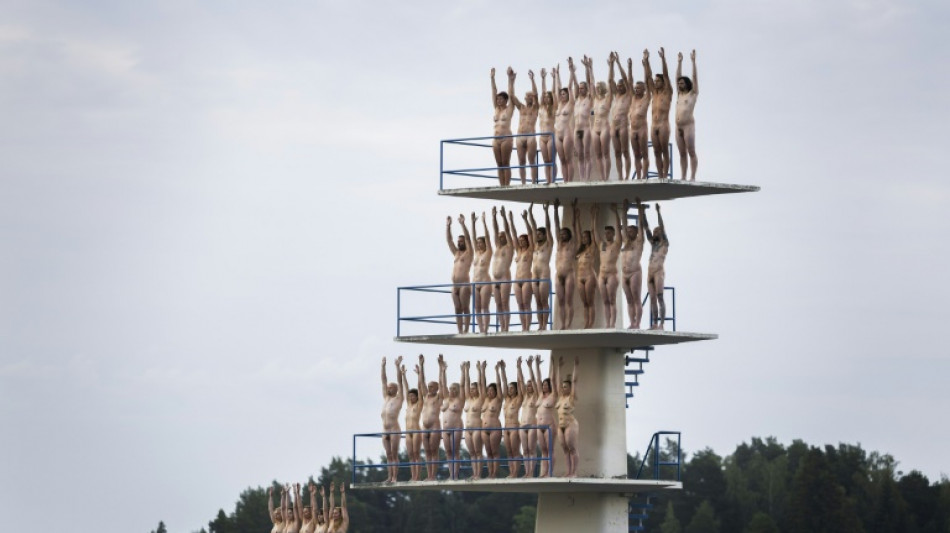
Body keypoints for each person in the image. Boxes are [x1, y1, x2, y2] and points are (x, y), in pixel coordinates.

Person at [644, 48, 673, 180]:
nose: (655, 83)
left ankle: (665, 175)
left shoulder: (667, 92)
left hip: (663, 124)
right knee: (656, 152)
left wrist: (663, 59)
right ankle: (660, 174)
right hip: (653, 125)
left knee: (664, 150)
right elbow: (648, 79)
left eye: (658, 81)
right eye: (655, 82)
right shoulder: (654, 93)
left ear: (663, 82)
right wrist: (646, 61)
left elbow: (666, 75)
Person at [594, 203, 623, 328]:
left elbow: (618, 227)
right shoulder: (602, 245)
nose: (607, 235)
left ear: (613, 233)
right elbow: (595, 233)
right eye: (606, 233)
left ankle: (612, 323)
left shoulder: (616, 244)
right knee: (605, 301)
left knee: (612, 300)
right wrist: (594, 216)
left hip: (612, 274)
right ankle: (607, 323)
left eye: (609, 233)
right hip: (602, 274)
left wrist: (616, 212)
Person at [553, 198, 580, 329]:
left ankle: (569, 324)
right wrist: (555, 209)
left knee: (569, 301)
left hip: (569, 274)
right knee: (561, 302)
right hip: (558, 274)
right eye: (561, 234)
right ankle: (563, 324)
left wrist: (574, 211)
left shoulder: (572, 244)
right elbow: (556, 225)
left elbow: (574, 228)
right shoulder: (559, 244)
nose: (562, 235)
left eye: (564, 233)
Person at [642, 203, 669, 329]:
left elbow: (662, 227)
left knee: (659, 297)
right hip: (650, 272)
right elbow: (646, 228)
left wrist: (658, 212)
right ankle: (655, 322)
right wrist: (643, 212)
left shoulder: (664, 243)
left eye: (657, 231)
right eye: (655, 231)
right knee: (652, 299)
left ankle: (662, 323)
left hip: (658, 271)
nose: (655, 232)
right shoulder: (653, 243)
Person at [621, 199, 647, 329]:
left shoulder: (639, 241)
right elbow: (623, 223)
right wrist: (624, 210)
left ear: (636, 233)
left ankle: (638, 323)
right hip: (624, 273)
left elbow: (641, 226)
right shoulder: (626, 241)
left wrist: (639, 209)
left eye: (631, 231)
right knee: (629, 300)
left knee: (636, 298)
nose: (629, 232)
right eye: (628, 231)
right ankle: (632, 322)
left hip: (634, 272)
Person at [526, 203, 553, 330]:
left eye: (540, 234)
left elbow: (548, 227)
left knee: (544, 301)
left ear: (544, 235)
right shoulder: (535, 246)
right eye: (537, 234)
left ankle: (544, 325)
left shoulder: (548, 244)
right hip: (534, 275)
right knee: (537, 302)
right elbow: (532, 229)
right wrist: (529, 215)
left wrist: (546, 211)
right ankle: (539, 324)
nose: (537, 236)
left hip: (543, 274)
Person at [446, 215, 474, 333]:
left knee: (465, 307)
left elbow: (468, 239)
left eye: (461, 242)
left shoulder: (469, 253)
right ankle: (460, 329)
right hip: (455, 285)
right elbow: (449, 241)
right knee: (457, 308)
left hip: (464, 284)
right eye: (459, 242)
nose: (459, 243)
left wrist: (463, 224)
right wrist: (448, 226)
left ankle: (467, 329)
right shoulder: (456, 253)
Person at [512, 70, 540, 184]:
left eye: (529, 96)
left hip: (530, 136)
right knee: (521, 161)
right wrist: (512, 81)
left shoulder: (535, 108)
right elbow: (512, 97)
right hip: (520, 135)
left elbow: (536, 94)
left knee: (531, 160)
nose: (528, 97)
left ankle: (533, 182)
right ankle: (523, 182)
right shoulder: (522, 107)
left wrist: (532, 80)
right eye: (527, 96)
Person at [418, 354, 444, 480]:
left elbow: (443, 383)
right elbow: (422, 382)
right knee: (427, 452)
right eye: (429, 387)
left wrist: (441, 367)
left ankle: (433, 475)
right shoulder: (426, 396)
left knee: (434, 451)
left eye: (432, 387)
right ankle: (429, 475)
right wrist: (422, 365)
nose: (430, 388)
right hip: (425, 427)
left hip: (434, 426)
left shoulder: (438, 397)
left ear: (437, 388)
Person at [380, 356, 405, 483]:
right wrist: (383, 366)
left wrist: (397, 367)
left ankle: (395, 477)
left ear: (395, 389)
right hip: (385, 429)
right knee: (388, 454)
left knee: (394, 454)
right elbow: (383, 381)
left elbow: (400, 383)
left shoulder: (398, 399)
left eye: (391, 387)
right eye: (388, 387)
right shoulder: (386, 398)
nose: (388, 388)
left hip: (394, 428)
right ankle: (389, 476)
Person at [569, 56, 594, 181]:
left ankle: (587, 178)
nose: (580, 89)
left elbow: (591, 83)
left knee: (587, 153)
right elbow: (573, 84)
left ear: (586, 89)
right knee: (579, 155)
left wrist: (588, 68)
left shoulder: (589, 99)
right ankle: (582, 177)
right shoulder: (577, 100)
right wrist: (572, 71)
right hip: (577, 130)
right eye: (579, 88)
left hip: (585, 128)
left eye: (582, 88)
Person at [675, 50, 699, 180]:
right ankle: (683, 176)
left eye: (682, 83)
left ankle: (692, 176)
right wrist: (679, 62)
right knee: (682, 153)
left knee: (691, 151)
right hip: (678, 126)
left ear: (687, 84)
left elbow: (695, 78)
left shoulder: (692, 93)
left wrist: (693, 62)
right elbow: (677, 76)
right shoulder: (679, 94)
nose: (679, 85)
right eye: (678, 84)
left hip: (688, 125)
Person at [440, 355, 464, 480]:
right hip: (445, 429)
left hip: (456, 427)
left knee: (455, 451)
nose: (451, 391)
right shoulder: (445, 399)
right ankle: (451, 473)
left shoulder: (460, 399)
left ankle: (455, 474)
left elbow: (463, 384)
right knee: (448, 452)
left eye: (454, 389)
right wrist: (443, 370)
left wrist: (463, 372)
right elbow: (442, 384)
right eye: (451, 389)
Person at [609, 52, 633, 180]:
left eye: (620, 86)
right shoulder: (616, 96)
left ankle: (627, 175)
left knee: (625, 152)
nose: (618, 88)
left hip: (623, 125)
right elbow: (610, 80)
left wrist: (618, 63)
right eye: (617, 86)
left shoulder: (628, 95)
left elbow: (627, 79)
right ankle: (619, 175)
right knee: (617, 153)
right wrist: (611, 64)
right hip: (614, 126)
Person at [491, 67, 516, 186]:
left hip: (506, 138)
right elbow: (493, 91)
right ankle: (501, 184)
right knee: (499, 163)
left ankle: (507, 184)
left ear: (505, 100)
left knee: (506, 162)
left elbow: (511, 95)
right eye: (498, 99)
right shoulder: (496, 109)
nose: (499, 101)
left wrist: (510, 80)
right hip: (496, 139)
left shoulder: (509, 109)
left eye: (501, 99)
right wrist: (492, 78)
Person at [509, 209, 534, 331]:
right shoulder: (518, 251)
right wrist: (510, 220)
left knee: (526, 304)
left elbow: (531, 234)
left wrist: (525, 219)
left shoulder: (530, 251)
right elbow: (513, 235)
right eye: (520, 241)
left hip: (526, 279)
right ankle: (523, 326)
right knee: (520, 305)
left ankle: (528, 326)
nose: (521, 242)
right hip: (517, 280)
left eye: (523, 240)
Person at [629, 52, 652, 179]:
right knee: (636, 155)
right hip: (632, 130)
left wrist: (646, 65)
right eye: (636, 88)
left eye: (639, 88)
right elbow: (629, 81)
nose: (636, 89)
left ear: (643, 89)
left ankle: (644, 175)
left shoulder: (646, 98)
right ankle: (638, 175)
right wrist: (630, 68)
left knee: (644, 154)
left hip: (642, 128)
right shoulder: (633, 98)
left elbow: (648, 81)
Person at [556, 356, 580, 477]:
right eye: (563, 387)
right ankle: (568, 471)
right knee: (565, 450)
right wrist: (559, 367)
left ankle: (574, 472)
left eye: (565, 387)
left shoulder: (571, 397)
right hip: (560, 425)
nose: (563, 388)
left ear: (570, 388)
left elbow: (574, 381)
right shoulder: (560, 398)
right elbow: (558, 382)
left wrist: (575, 366)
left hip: (570, 424)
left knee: (572, 448)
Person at [491, 206, 515, 332]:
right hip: (495, 279)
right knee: (498, 303)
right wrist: (494, 217)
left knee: (505, 302)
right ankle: (501, 326)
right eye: (499, 237)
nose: (500, 238)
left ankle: (506, 326)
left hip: (505, 276)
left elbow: (508, 231)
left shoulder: (509, 247)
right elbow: (495, 231)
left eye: (502, 236)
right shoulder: (497, 247)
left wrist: (504, 217)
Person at [499, 358, 524, 477]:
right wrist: (502, 369)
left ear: (516, 389)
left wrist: (518, 367)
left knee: (515, 450)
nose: (509, 390)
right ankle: (511, 471)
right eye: (509, 389)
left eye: (512, 388)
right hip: (506, 427)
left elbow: (520, 382)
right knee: (508, 451)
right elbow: (504, 383)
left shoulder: (518, 399)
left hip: (514, 426)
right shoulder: (507, 399)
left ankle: (515, 472)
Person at [575, 204, 598, 329]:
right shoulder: (580, 251)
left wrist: (593, 216)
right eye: (583, 237)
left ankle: (591, 324)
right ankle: (586, 323)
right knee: (584, 303)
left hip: (589, 276)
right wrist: (578, 218)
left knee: (590, 301)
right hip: (580, 277)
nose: (584, 238)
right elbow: (578, 233)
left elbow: (594, 232)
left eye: (586, 236)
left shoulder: (592, 248)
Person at [590, 56, 612, 180]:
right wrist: (590, 67)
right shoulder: (595, 99)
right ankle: (602, 176)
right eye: (596, 87)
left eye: (599, 87)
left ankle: (606, 177)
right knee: (598, 155)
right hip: (595, 128)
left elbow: (610, 81)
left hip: (604, 127)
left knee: (605, 153)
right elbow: (591, 83)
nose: (597, 88)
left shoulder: (607, 99)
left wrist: (610, 66)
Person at [481, 360, 504, 478]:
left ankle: (495, 473)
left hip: (495, 427)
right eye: (488, 390)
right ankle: (490, 472)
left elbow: (500, 385)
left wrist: (498, 371)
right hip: (484, 429)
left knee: (495, 452)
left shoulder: (498, 399)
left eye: (492, 390)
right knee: (488, 452)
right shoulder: (485, 400)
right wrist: (482, 370)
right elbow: (482, 384)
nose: (490, 392)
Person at [462, 360, 485, 479]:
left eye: (473, 389)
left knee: (478, 452)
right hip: (467, 429)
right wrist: (466, 371)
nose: (471, 390)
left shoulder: (480, 399)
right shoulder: (468, 399)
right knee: (471, 453)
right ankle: (474, 473)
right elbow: (465, 385)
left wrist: (480, 370)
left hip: (477, 428)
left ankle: (478, 474)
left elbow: (481, 384)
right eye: (471, 389)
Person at [535, 356, 557, 477]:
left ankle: (550, 472)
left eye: (546, 385)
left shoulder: (553, 395)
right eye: (543, 385)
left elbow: (553, 380)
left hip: (549, 425)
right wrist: (537, 366)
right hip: (539, 426)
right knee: (543, 451)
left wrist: (553, 365)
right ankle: (543, 472)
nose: (544, 386)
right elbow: (537, 379)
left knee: (550, 450)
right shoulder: (539, 395)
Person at [471, 212, 493, 333]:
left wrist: (484, 222)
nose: (479, 244)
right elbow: (473, 238)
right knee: (477, 308)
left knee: (485, 307)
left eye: (481, 242)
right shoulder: (477, 253)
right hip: (475, 282)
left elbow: (488, 238)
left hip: (485, 282)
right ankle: (480, 328)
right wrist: (473, 224)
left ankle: (485, 328)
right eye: (478, 243)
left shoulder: (488, 252)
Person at [552, 64, 574, 182]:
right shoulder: (559, 105)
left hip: (566, 133)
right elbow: (557, 89)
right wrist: (557, 75)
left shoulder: (570, 104)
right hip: (557, 134)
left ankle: (569, 180)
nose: (561, 95)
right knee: (562, 159)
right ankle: (565, 180)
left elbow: (570, 88)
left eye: (564, 94)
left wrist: (571, 72)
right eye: (561, 94)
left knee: (568, 158)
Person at [519, 355, 540, 477]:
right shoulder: (525, 397)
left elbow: (534, 379)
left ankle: (531, 472)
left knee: (532, 450)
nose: (528, 387)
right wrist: (519, 367)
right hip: (522, 425)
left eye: (530, 385)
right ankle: (527, 472)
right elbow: (521, 381)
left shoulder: (536, 396)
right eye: (527, 386)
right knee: (525, 450)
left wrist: (531, 367)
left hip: (532, 425)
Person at [401, 360, 423, 481]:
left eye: (413, 396)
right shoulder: (409, 405)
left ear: (417, 397)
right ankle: (412, 475)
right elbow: (406, 389)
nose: (410, 398)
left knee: (416, 453)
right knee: (410, 454)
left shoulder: (419, 405)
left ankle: (417, 476)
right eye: (409, 397)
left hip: (415, 431)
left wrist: (419, 375)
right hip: (407, 432)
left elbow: (420, 389)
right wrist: (403, 375)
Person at [538, 68, 557, 184]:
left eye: (548, 97)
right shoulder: (541, 108)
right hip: (541, 136)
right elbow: (542, 91)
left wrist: (554, 78)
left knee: (552, 160)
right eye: (545, 97)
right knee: (545, 161)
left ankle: (552, 180)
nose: (546, 98)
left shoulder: (554, 108)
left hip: (551, 136)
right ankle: (547, 180)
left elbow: (554, 93)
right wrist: (543, 78)